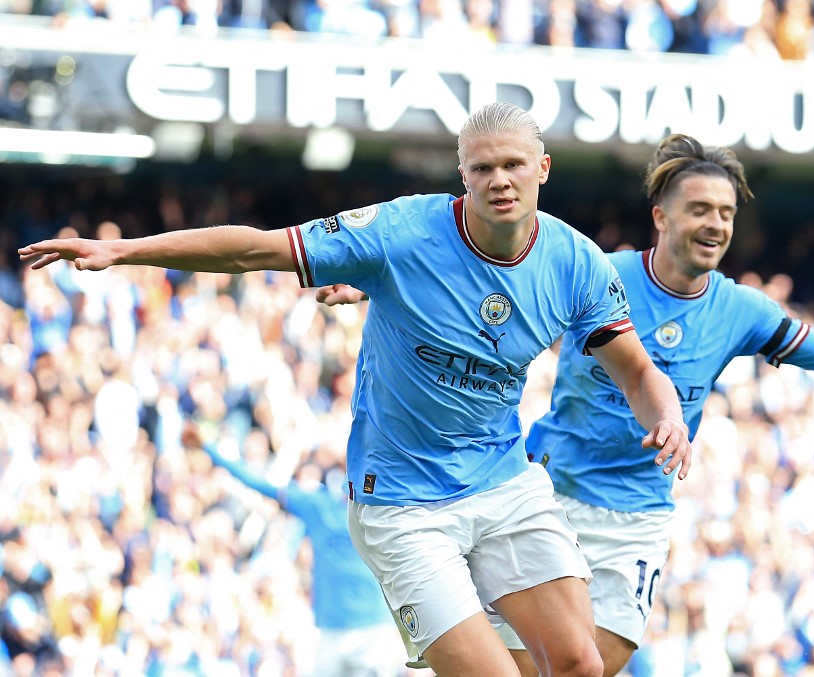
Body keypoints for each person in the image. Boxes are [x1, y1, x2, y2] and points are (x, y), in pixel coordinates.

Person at [19, 101, 692, 677]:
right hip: (402, 503)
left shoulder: (575, 262)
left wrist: (667, 416)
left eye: (513, 164)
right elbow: (255, 249)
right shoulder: (400, 232)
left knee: (579, 662)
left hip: (501, 481)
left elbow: (636, 368)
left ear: (541, 168)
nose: (499, 180)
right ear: (463, 176)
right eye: (482, 167)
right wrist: (126, 250)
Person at [319, 132, 814, 677]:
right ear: (662, 217)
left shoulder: (738, 309)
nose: (715, 224)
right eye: (700, 209)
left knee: (594, 664)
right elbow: (464, 286)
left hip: (637, 518)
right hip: (544, 496)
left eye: (727, 214)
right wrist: (374, 286)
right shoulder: (594, 272)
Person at [179, 425, 407, 677]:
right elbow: (258, 483)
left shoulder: (385, 508)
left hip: (374, 632)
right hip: (330, 633)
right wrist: (208, 448)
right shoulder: (317, 504)